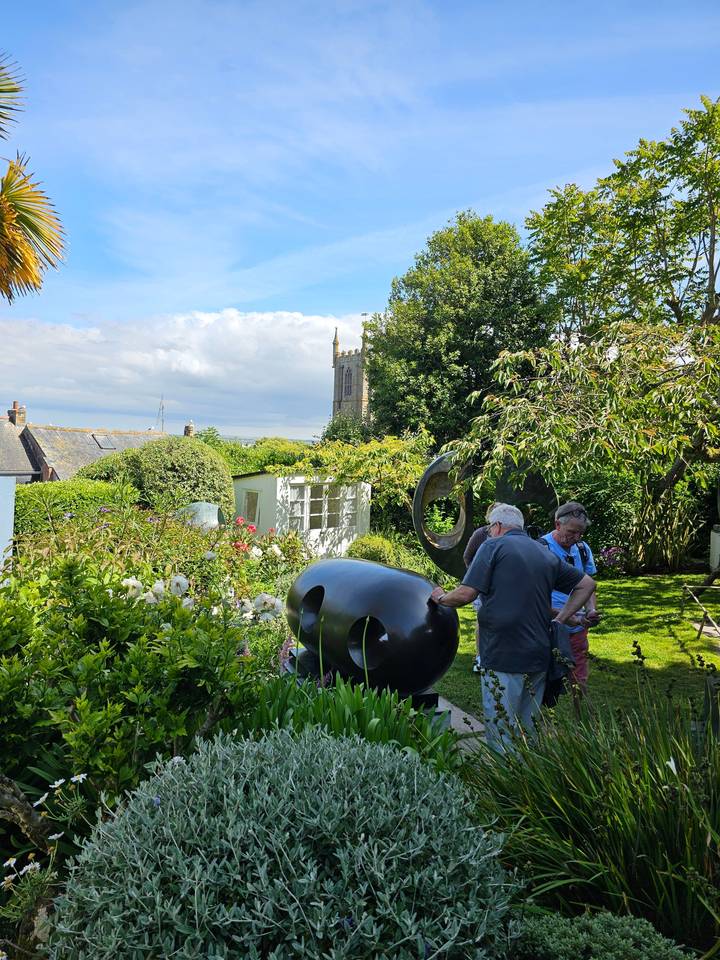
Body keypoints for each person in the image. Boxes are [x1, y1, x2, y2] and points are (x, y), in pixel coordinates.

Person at [430, 503, 596, 750]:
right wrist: (561, 618)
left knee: (502, 729)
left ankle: (504, 783)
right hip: (539, 655)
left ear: (496, 526)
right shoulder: (543, 552)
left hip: (503, 655)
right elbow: (586, 583)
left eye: (489, 528)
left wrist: (440, 598)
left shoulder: (493, 546)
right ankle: (528, 782)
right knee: (529, 730)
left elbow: (466, 594)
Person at [541, 502, 600, 701]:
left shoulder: (582, 549)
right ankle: (538, 726)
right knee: (543, 678)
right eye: (572, 532)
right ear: (557, 525)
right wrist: (563, 616)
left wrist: (591, 610)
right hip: (547, 627)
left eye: (580, 533)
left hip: (577, 629)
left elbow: (589, 585)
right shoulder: (540, 549)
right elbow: (535, 596)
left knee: (579, 678)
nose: (576, 538)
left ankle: (582, 724)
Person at [463, 502, 500, 674]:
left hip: (501, 586)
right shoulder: (481, 534)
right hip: (482, 586)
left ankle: (496, 654)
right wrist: (477, 575)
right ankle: (480, 656)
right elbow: (467, 556)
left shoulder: (509, 536)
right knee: (482, 620)